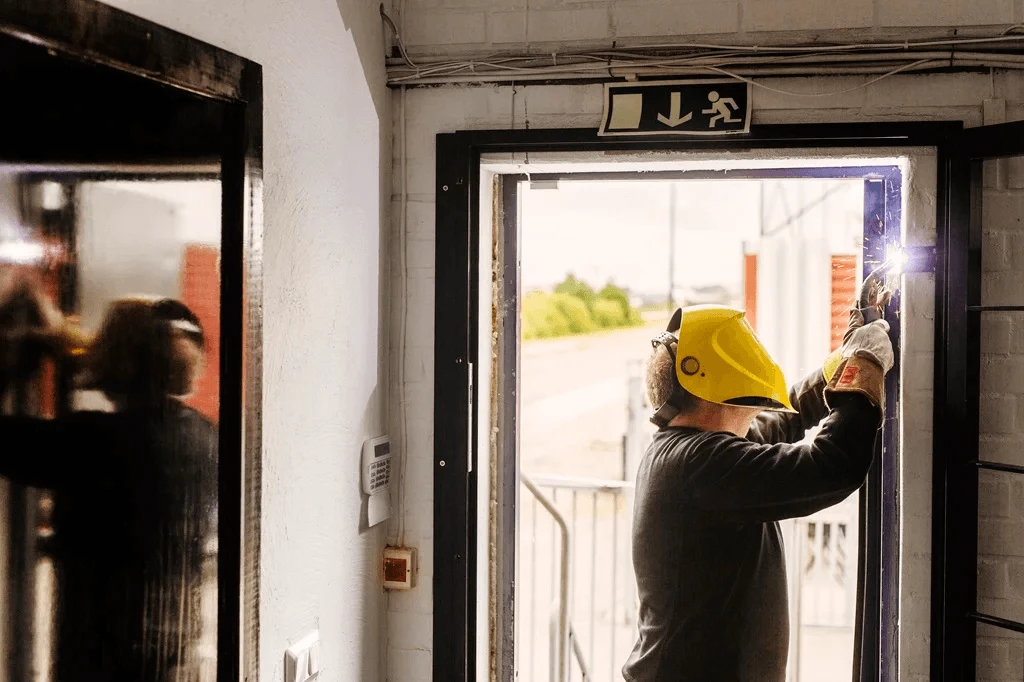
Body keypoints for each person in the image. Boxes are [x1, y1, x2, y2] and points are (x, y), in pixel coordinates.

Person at [622, 302, 894, 682]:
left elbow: (790, 416)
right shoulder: (699, 463)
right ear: (716, 380)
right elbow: (832, 466)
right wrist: (864, 366)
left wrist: (846, 359)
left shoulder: (693, 450)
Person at [0, 279, 217, 682]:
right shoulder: (207, 438)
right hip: (175, 661)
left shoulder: (97, 442)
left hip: (103, 663)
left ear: (123, 361)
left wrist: (19, 356)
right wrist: (69, 344)